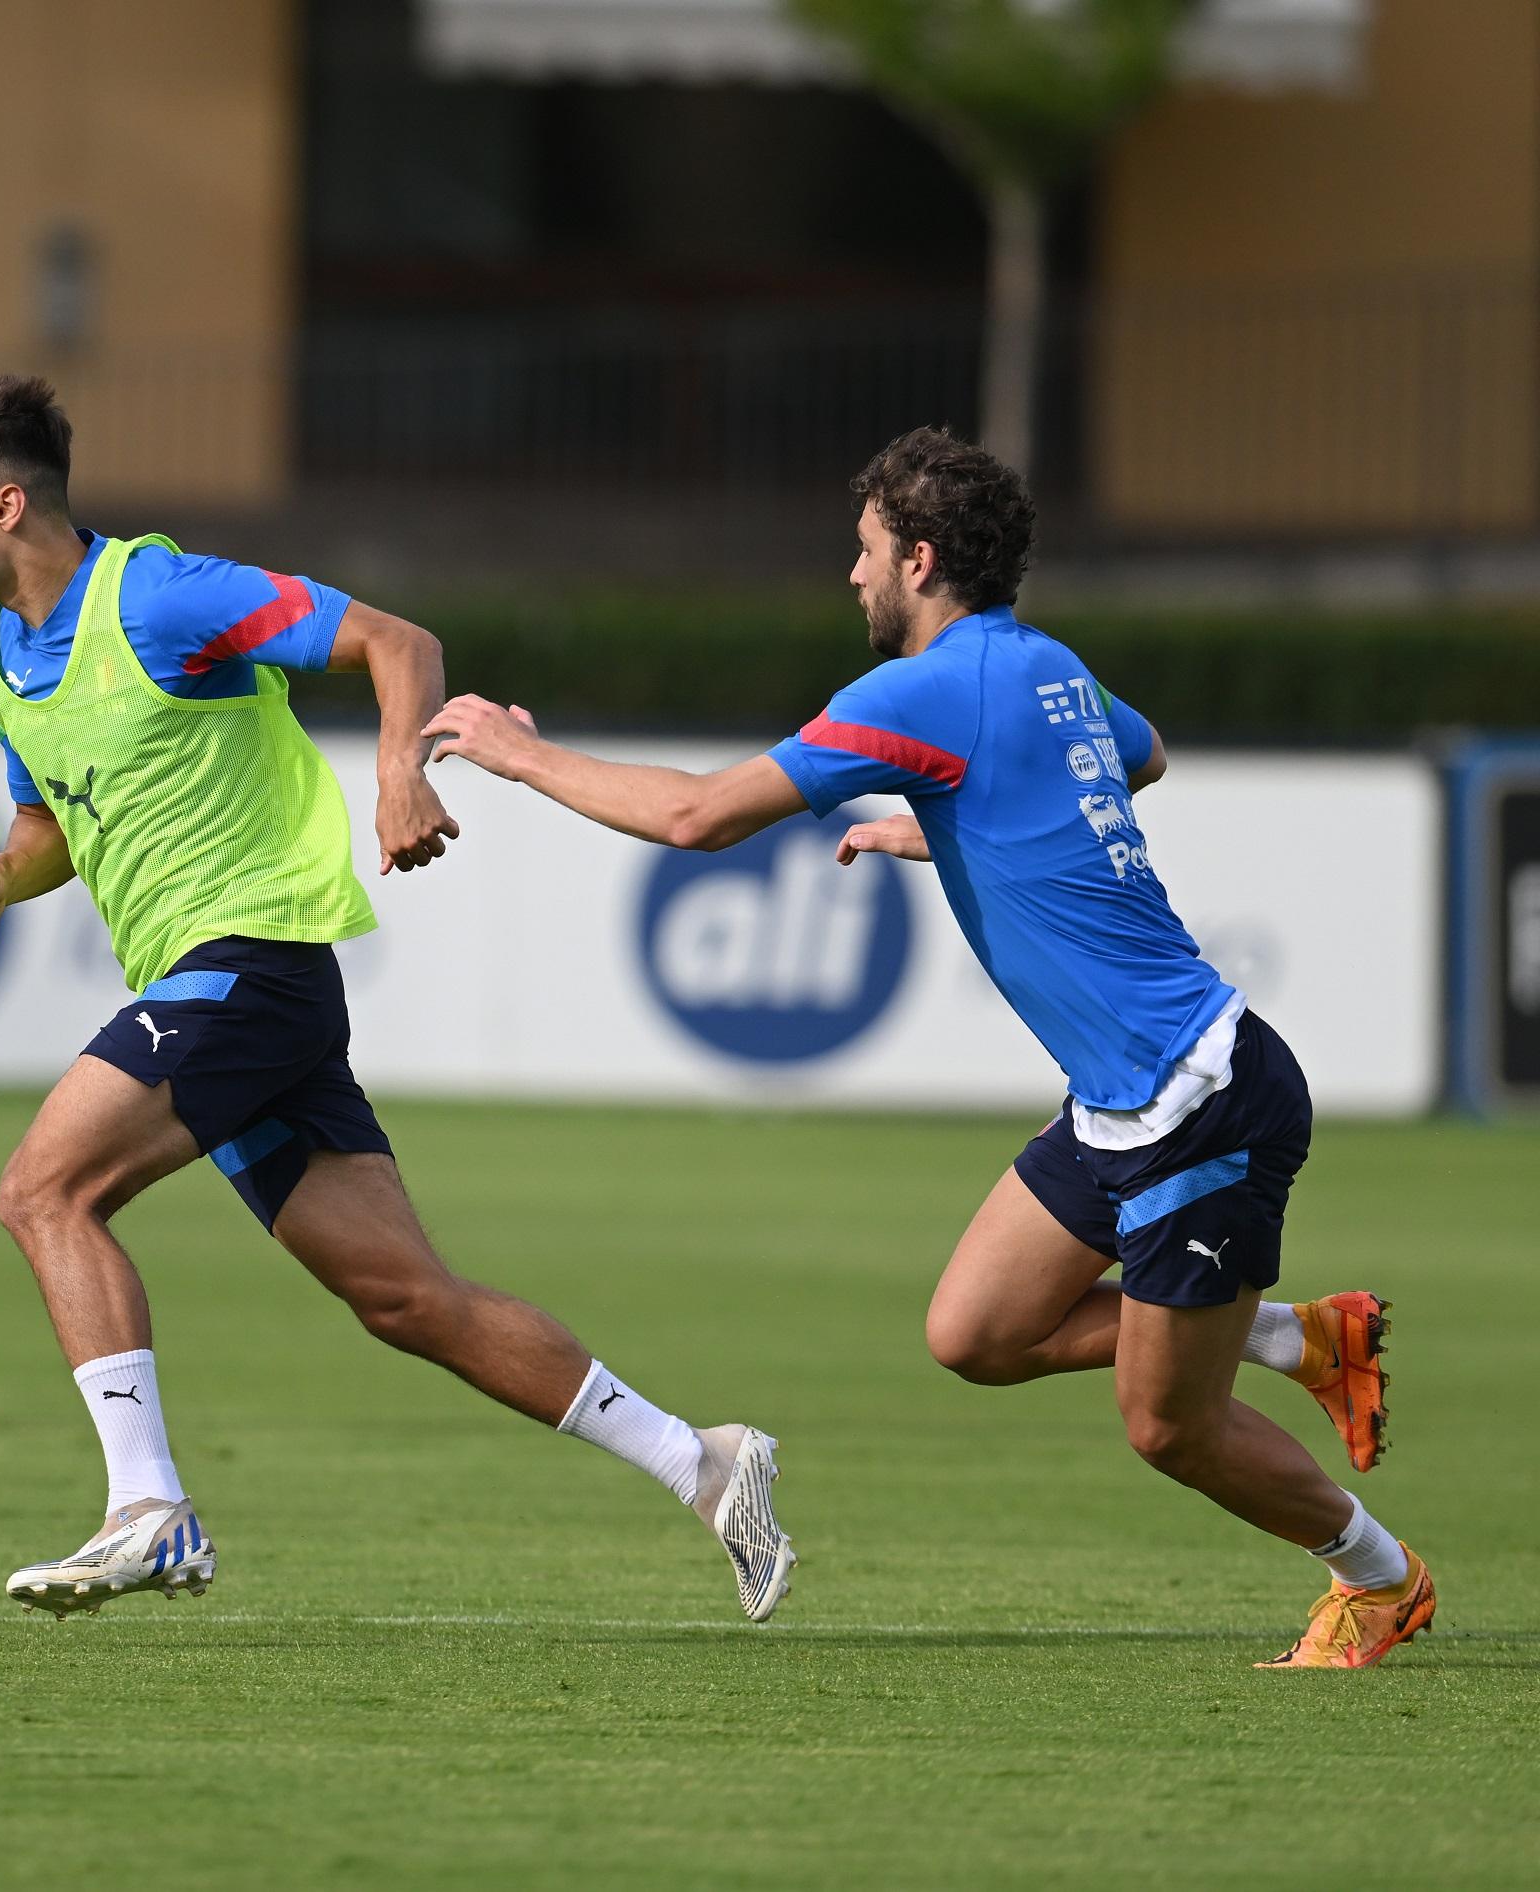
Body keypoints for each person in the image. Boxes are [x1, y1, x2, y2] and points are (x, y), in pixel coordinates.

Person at [425, 426, 1427, 1670]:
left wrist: (521, 756)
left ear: (918, 557)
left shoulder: (919, 691)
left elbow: (694, 815)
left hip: (1195, 1100)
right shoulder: (1043, 664)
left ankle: (1378, 1577)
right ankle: (1297, 1336)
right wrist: (953, 823)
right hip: (1124, 1097)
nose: (849, 577)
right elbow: (1142, 753)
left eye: (860, 552)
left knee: (1170, 1428)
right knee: (975, 1334)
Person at [0, 374, 794, 1620]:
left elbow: (397, 640)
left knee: (41, 1189)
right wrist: (1, 879)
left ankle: (147, 1505)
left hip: (251, 964)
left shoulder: (160, 595)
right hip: (231, 995)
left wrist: (397, 770)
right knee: (406, 1299)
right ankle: (701, 1460)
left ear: (6, 505)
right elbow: (46, 815)